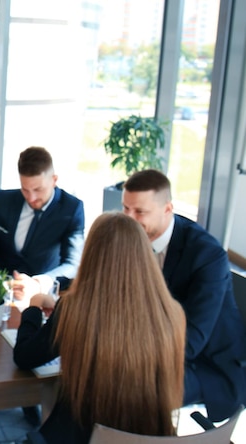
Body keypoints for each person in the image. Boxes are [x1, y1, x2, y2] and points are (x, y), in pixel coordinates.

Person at [14, 212, 186, 443]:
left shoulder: (75, 310)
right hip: (150, 435)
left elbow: (25, 356)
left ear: (91, 256)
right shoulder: (171, 313)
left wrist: (33, 309)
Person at [122, 169, 246, 422]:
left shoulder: (207, 256)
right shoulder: (134, 237)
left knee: (126, 388)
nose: (129, 218)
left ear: (168, 208)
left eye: (139, 212)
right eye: (125, 209)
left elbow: (191, 342)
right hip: (157, 347)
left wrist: (130, 354)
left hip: (205, 364)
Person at [0, 146, 84, 302]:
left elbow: (73, 264)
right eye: (25, 189)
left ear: (54, 180)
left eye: (38, 189)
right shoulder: (1, 201)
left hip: (42, 298)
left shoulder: (71, 209)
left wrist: (39, 283)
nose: (31, 198)